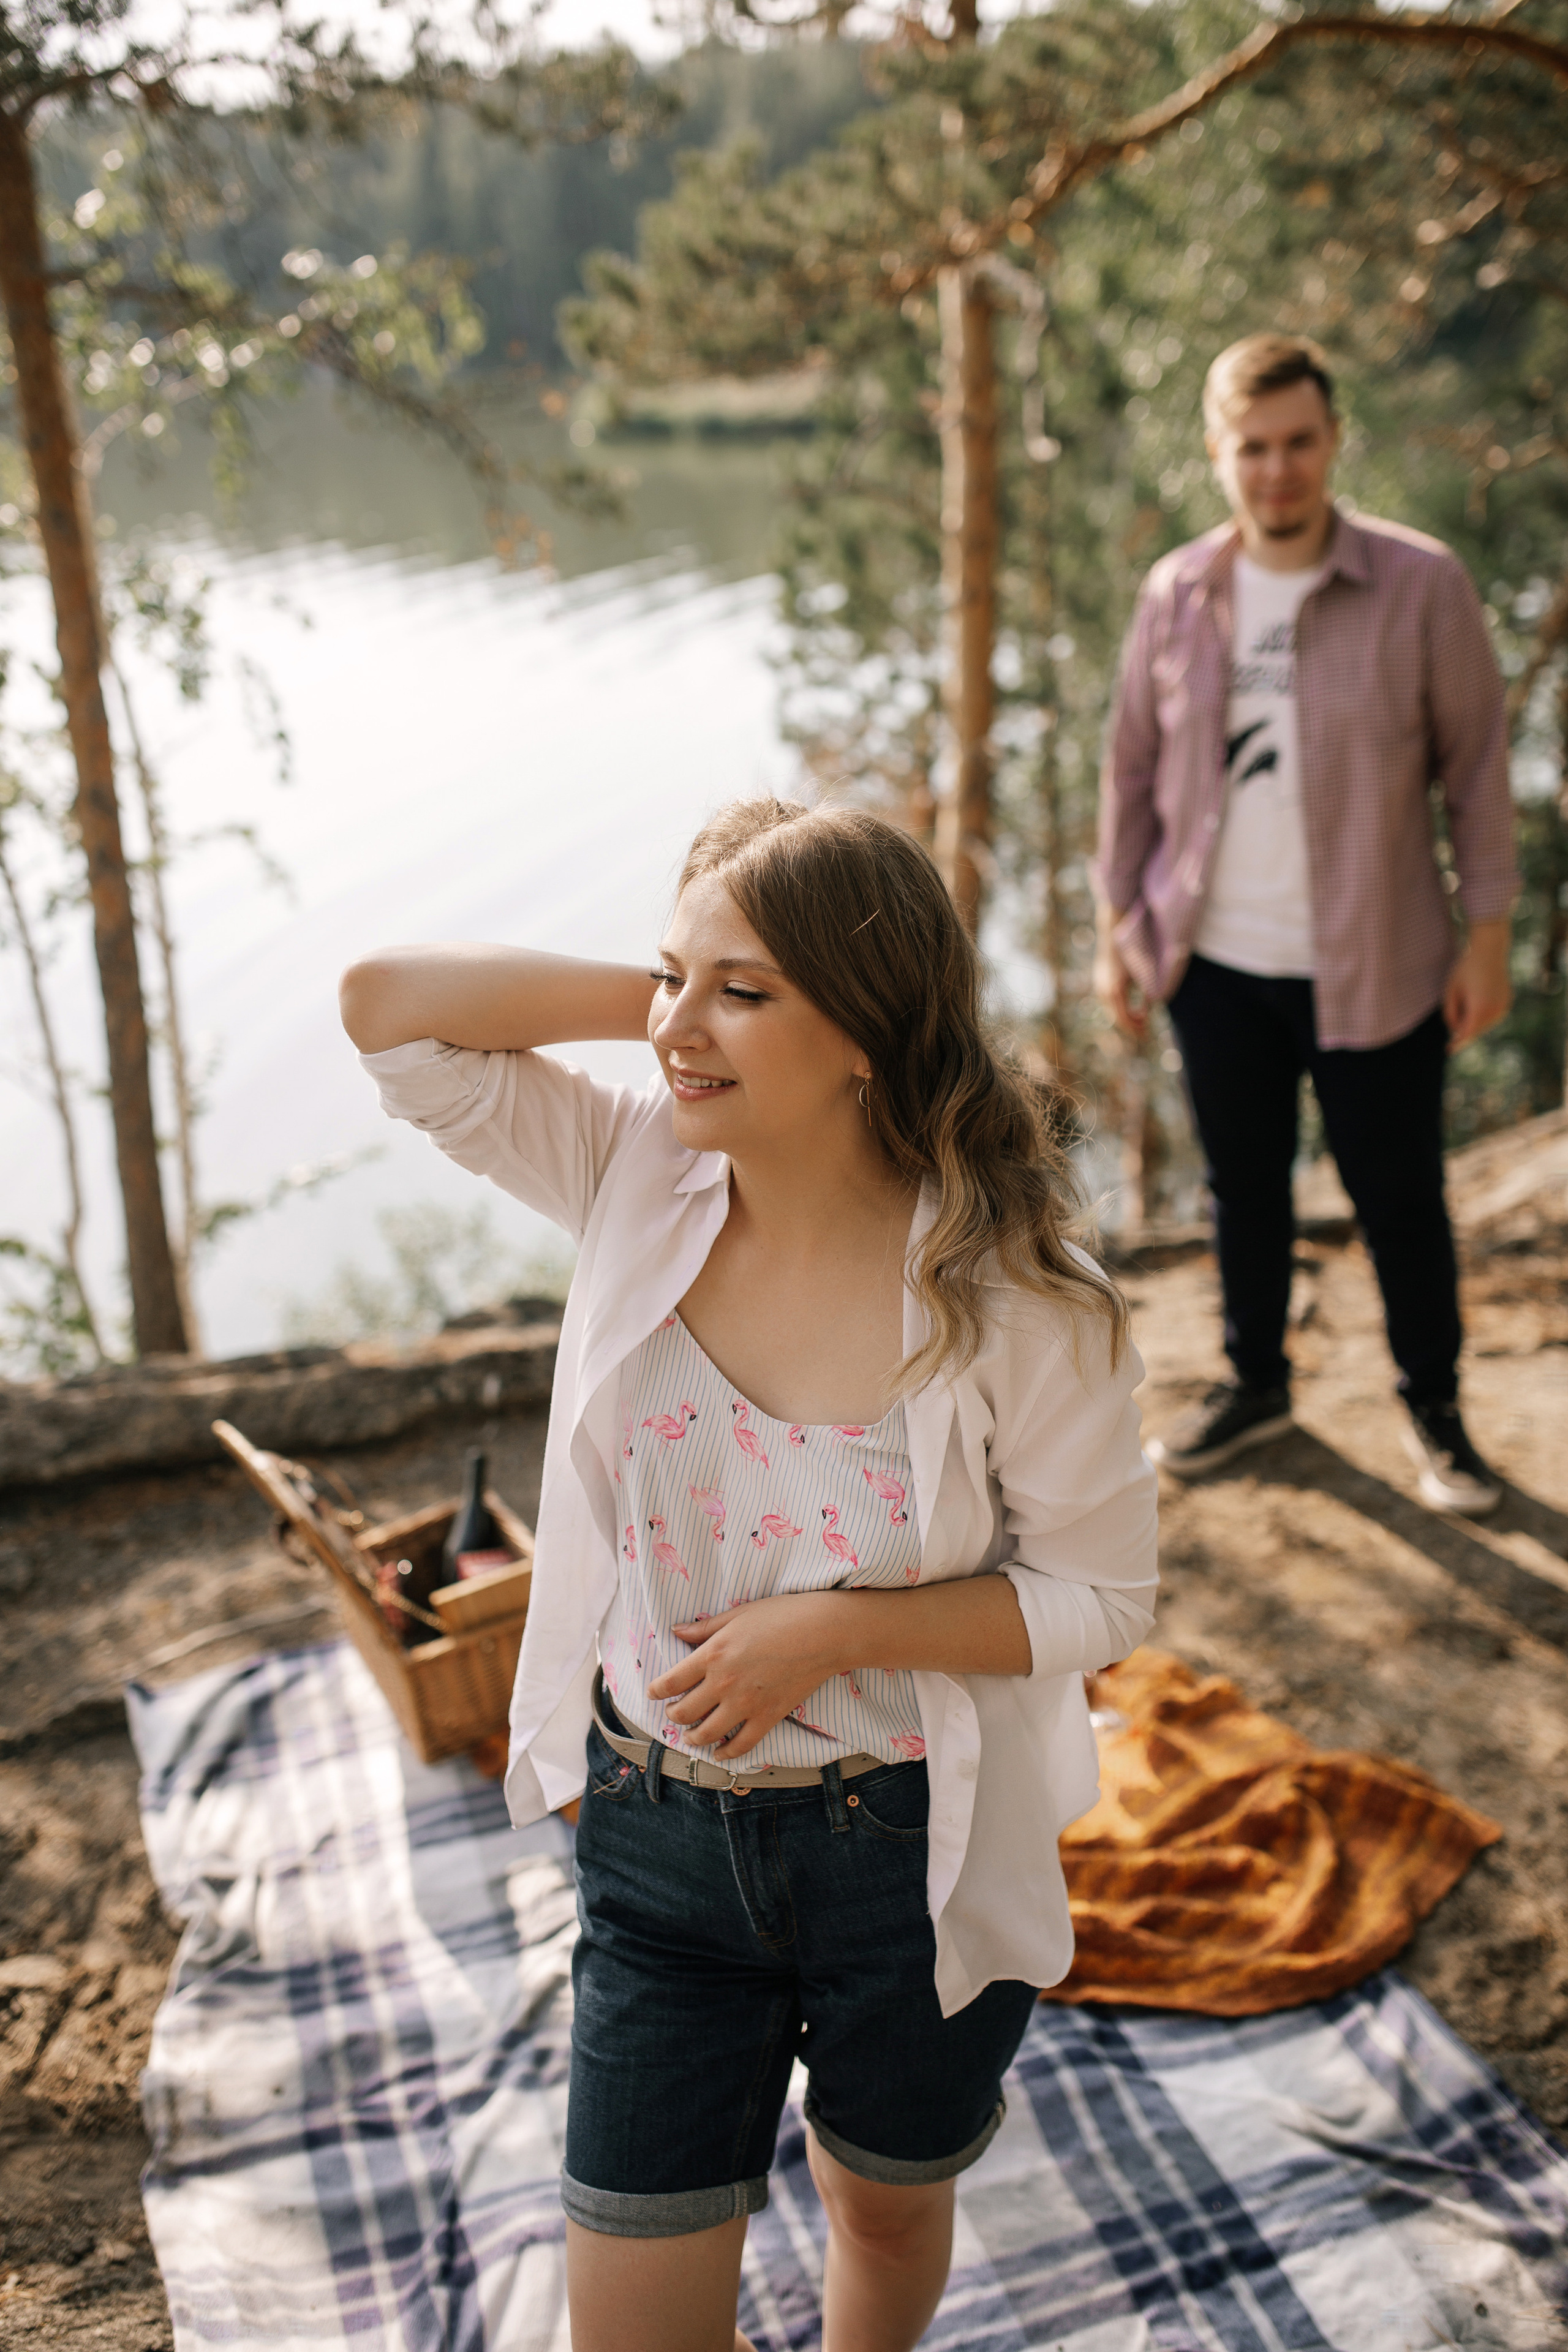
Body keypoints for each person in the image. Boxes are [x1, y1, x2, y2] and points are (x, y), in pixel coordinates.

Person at [340, 798, 1158, 2352]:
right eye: (673, 976)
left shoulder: (1017, 1294)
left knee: (882, 2207)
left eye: (744, 991)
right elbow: (387, 1007)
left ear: (863, 1032)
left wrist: (831, 1633)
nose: (675, 1027)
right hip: (656, 1842)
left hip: (904, 1853)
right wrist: (688, 1004)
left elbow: (1103, 1600)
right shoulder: (629, 1167)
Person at [1095, 332, 1518, 1516]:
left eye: (1297, 443)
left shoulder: (1421, 584)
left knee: (1400, 1200)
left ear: (1333, 440)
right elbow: (1130, 770)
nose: (1276, 469)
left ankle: (1437, 1415)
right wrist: (1116, 923)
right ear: (1218, 453)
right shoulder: (1177, 592)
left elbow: (1479, 770)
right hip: (1215, 961)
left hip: (1378, 958)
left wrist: (1488, 934)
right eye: (1252, 448)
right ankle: (1257, 1385)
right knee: (1244, 1189)